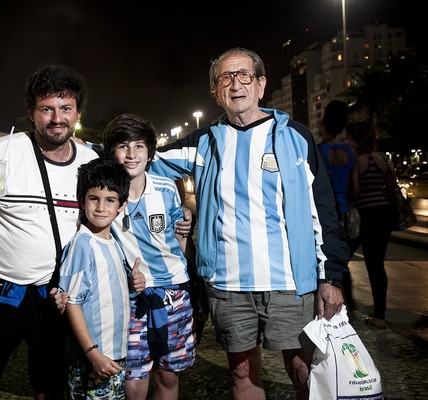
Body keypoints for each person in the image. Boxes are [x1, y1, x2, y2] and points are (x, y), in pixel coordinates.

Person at [147, 48, 348, 400]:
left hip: (290, 284)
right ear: (215, 91)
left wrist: (330, 276)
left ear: (260, 85)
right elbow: (138, 160)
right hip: (228, 287)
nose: (235, 84)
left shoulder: (294, 137)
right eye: (225, 77)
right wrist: (78, 150)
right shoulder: (203, 142)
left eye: (244, 75)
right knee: (242, 377)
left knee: (304, 372)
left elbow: (323, 210)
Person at [0, 65, 101, 399]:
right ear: (31, 113)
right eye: (47, 109)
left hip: (55, 297)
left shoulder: (89, 160)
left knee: (50, 385)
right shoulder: (1, 153)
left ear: (77, 113)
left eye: (65, 108)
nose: (57, 118)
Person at [102, 113, 200, 400]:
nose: (131, 154)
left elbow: (179, 239)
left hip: (175, 294)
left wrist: (187, 228)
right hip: (132, 300)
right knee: (134, 382)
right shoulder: (106, 195)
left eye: (139, 146)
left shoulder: (167, 188)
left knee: (168, 375)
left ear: (149, 152)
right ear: (112, 151)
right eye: (123, 146)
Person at [59, 157, 137, 399]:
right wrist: (93, 353)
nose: (101, 207)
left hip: (113, 352)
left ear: (122, 205)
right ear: (82, 201)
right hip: (91, 356)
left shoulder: (114, 241)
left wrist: (133, 284)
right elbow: (72, 303)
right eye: (94, 199)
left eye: (110, 200)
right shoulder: (82, 244)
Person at [345, 121, 395, 329]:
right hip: (383, 215)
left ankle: (347, 306)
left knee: (340, 259)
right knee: (376, 266)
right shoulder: (382, 159)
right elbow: (391, 189)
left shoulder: (356, 160)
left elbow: (355, 191)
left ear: (355, 140)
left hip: (363, 216)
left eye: (348, 137)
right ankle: (379, 316)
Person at [317, 100, 360, 310]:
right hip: (345, 213)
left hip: (325, 213)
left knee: (331, 260)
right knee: (343, 262)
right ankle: (348, 303)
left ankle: (335, 302)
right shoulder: (349, 153)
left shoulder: (317, 151)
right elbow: (355, 188)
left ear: (323, 123)